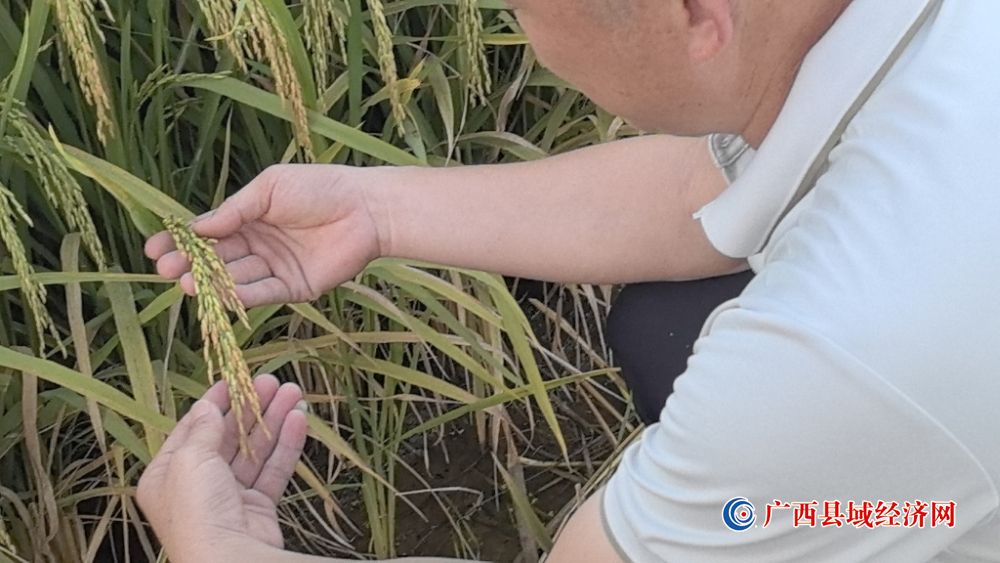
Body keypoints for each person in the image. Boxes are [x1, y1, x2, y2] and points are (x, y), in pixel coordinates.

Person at [138, 0, 1000, 560]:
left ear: (695, 14)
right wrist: (373, 210)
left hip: (900, 417)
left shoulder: (839, 345)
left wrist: (218, 549)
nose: (529, 39)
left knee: (808, 511)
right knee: (661, 331)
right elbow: (709, 186)